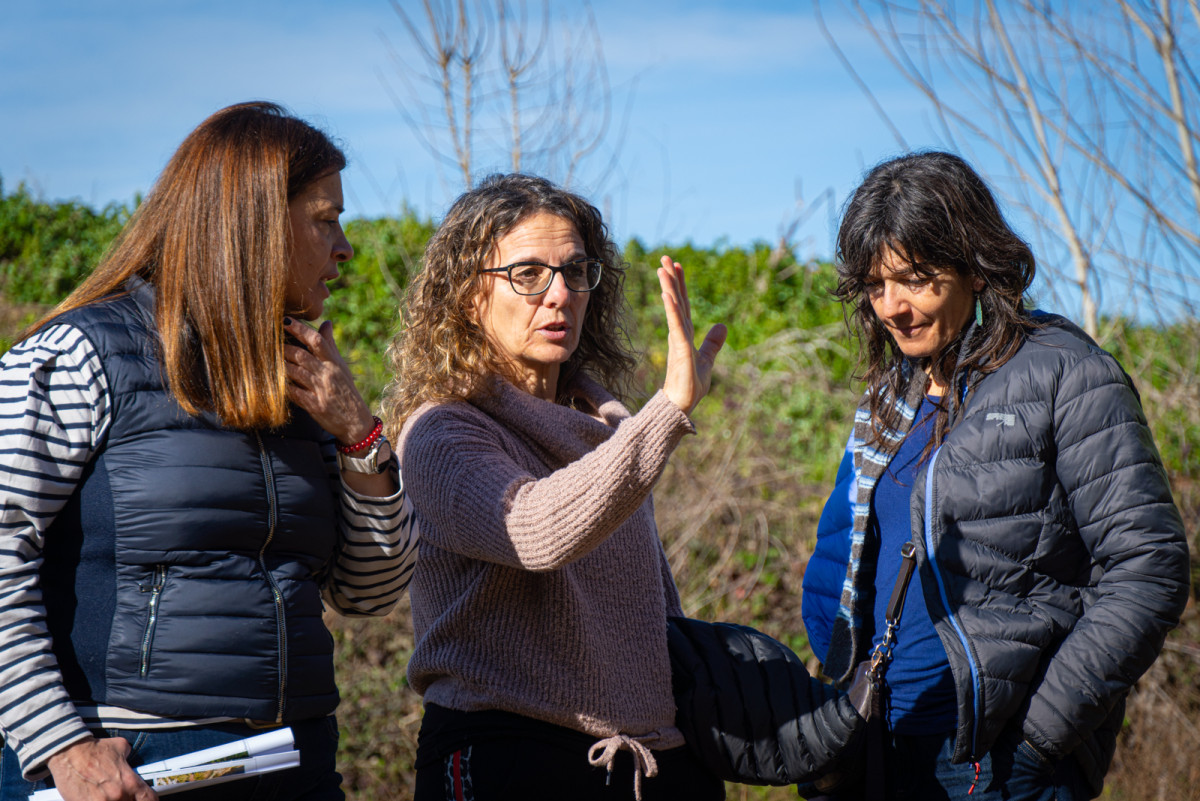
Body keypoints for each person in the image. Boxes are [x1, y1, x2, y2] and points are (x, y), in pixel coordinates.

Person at [0, 102, 419, 801]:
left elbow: (369, 591)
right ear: (252, 223)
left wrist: (358, 433)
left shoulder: (308, 380)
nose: (344, 247)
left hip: (294, 760)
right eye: (325, 219)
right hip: (122, 770)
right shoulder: (78, 354)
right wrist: (60, 745)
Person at [800, 151, 1189, 800]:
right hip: (873, 745)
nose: (892, 306)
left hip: (991, 763)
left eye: (916, 278)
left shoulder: (1065, 373)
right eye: (875, 285)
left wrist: (1039, 736)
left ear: (976, 268)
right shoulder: (887, 399)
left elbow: (1148, 566)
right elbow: (845, 558)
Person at [382, 173, 727, 801]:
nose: (559, 294)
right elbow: (532, 530)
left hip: (651, 759)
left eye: (574, 271)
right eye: (528, 274)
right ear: (466, 297)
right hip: (508, 754)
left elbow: (652, 609)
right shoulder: (440, 431)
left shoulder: (605, 427)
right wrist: (669, 409)